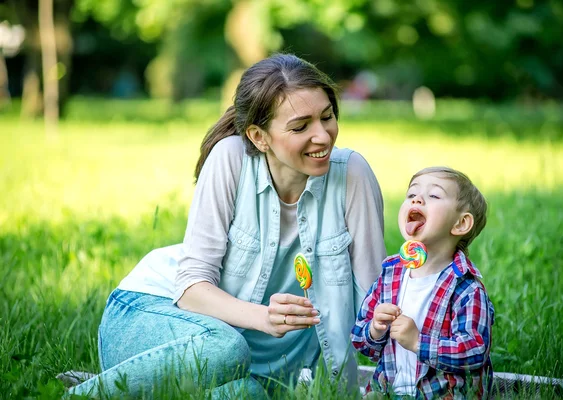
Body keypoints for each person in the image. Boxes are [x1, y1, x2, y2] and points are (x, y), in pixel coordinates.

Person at [67, 53, 387, 398]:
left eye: (327, 117)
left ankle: (142, 387)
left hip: (259, 366)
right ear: (259, 136)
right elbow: (191, 288)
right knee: (226, 349)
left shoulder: (352, 173)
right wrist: (263, 317)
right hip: (153, 312)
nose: (323, 136)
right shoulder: (231, 157)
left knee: (248, 393)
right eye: (301, 126)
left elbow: (375, 296)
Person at [351, 167, 495, 399]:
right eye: (411, 195)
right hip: (387, 390)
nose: (417, 199)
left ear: (460, 224)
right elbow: (359, 339)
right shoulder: (390, 276)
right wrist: (375, 329)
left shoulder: (466, 289)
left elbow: (475, 351)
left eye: (434, 196)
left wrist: (419, 342)